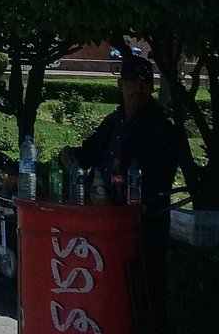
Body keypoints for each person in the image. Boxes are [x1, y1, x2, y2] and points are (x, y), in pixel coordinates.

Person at [60, 54, 183, 333]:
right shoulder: (114, 121)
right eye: (133, 81)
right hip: (102, 228)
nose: (139, 87)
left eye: (145, 83)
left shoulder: (161, 128)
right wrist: (67, 155)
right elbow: (88, 153)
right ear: (121, 85)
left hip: (140, 230)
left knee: (144, 305)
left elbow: (158, 179)